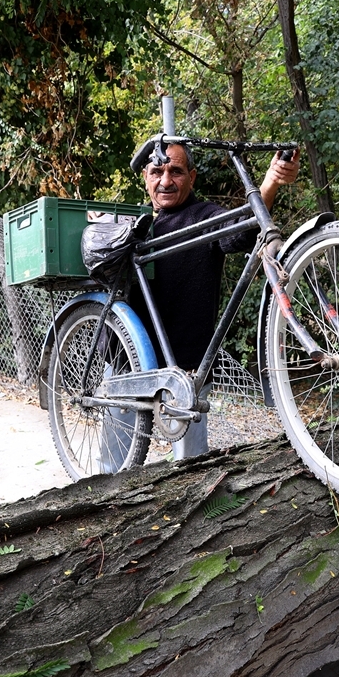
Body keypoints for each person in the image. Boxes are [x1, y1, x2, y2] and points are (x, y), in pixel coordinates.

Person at [137, 142, 300, 459]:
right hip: (127, 363)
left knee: (191, 464)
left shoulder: (203, 216)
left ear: (193, 177)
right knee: (114, 464)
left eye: (176, 171)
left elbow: (240, 230)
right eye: (157, 171)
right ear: (145, 176)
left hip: (187, 368)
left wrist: (270, 182)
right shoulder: (136, 224)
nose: (165, 181)